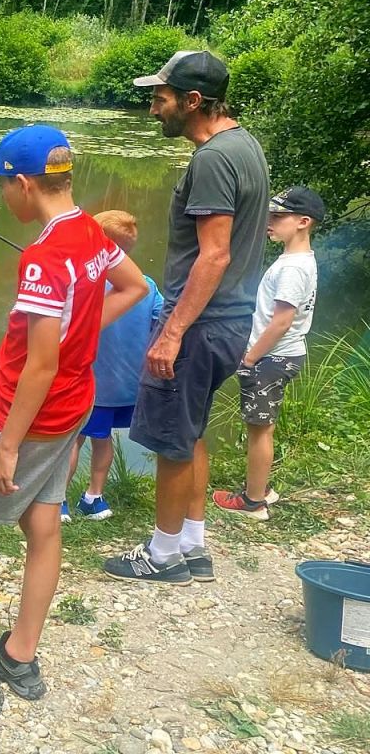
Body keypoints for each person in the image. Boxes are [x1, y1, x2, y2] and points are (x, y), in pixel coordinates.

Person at [0, 125, 148, 714]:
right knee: (43, 525)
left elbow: (38, 365)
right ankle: (20, 652)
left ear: (22, 183)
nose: (1, 198)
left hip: (30, 416)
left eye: (2, 185)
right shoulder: (91, 232)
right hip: (73, 407)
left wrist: (8, 446)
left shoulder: (42, 258)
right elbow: (135, 286)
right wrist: (78, 334)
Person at [103, 50, 269, 585]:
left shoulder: (213, 160)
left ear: (193, 101)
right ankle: (193, 545)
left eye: (161, 98)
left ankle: (163, 554)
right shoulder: (245, 146)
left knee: (173, 440)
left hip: (199, 323)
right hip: (230, 320)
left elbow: (214, 254)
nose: (154, 110)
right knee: (191, 431)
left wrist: (172, 332)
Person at [212, 186, 324, 520]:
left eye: (278, 217)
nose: (269, 223)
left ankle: (253, 502)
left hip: (270, 357)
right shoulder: (300, 261)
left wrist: (249, 359)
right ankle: (262, 486)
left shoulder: (291, 269)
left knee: (259, 429)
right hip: (282, 355)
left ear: (303, 222)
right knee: (263, 426)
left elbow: (282, 322)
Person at [63, 210, 164, 522]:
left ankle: (57, 503)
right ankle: (94, 497)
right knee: (103, 438)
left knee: (72, 440)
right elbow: (161, 319)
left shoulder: (84, 285)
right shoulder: (145, 286)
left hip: (90, 385)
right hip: (127, 387)